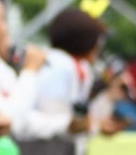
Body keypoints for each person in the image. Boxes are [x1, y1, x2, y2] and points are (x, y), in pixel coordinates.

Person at [0, 0, 72, 139]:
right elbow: (10, 119)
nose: (5, 29)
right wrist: (30, 70)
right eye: (2, 20)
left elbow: (24, 119)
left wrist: (67, 123)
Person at [32, 7, 111, 136]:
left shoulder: (79, 67)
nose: (99, 46)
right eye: (96, 39)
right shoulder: (60, 65)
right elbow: (54, 115)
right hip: (45, 144)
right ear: (84, 40)